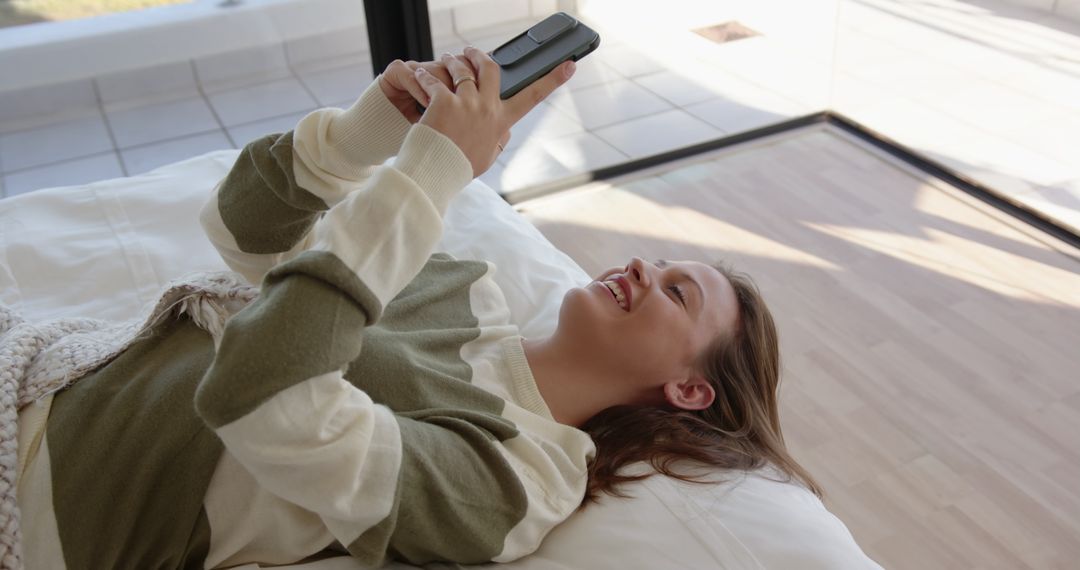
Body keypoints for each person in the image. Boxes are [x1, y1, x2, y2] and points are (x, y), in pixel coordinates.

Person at [10, 47, 818, 570]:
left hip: (45, 494)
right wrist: (368, 136)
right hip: (47, 371)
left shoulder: (522, 480)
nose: (643, 264)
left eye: (678, 290)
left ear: (688, 390)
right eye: (660, 259)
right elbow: (243, 229)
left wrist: (430, 173)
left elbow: (262, 397)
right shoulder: (464, 288)